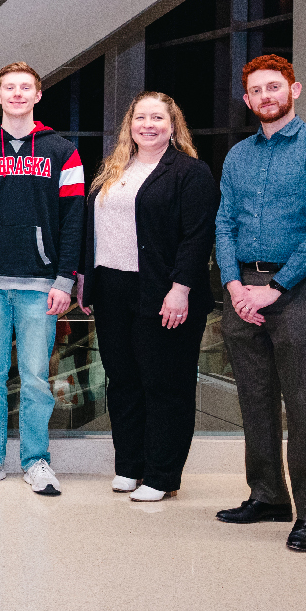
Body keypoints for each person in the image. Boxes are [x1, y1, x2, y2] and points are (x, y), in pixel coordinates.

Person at [213, 55, 306, 553]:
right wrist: (233, 285)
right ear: (247, 101)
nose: (266, 96)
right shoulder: (238, 156)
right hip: (242, 289)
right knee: (255, 397)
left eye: (275, 87)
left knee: (305, 402)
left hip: (301, 288)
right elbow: (224, 224)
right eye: (256, 91)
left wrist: (279, 286)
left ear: (295, 89)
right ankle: (268, 495)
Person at [78, 92, 217, 502]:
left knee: (165, 384)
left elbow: (197, 237)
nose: (148, 125)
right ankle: (129, 466)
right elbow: (95, 228)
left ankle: (161, 474)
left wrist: (181, 289)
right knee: (122, 381)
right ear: (130, 124)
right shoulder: (114, 169)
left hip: (164, 291)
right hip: (111, 289)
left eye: (158, 118)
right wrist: (87, 278)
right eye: (141, 118)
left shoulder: (190, 173)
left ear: (173, 125)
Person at [0, 61, 84, 495]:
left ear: (37, 94)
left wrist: (64, 279)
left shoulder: (62, 150)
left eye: (24, 87)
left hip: (41, 285)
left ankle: (37, 461)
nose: (16, 94)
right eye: (9, 88)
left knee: (35, 378)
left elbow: (73, 220)